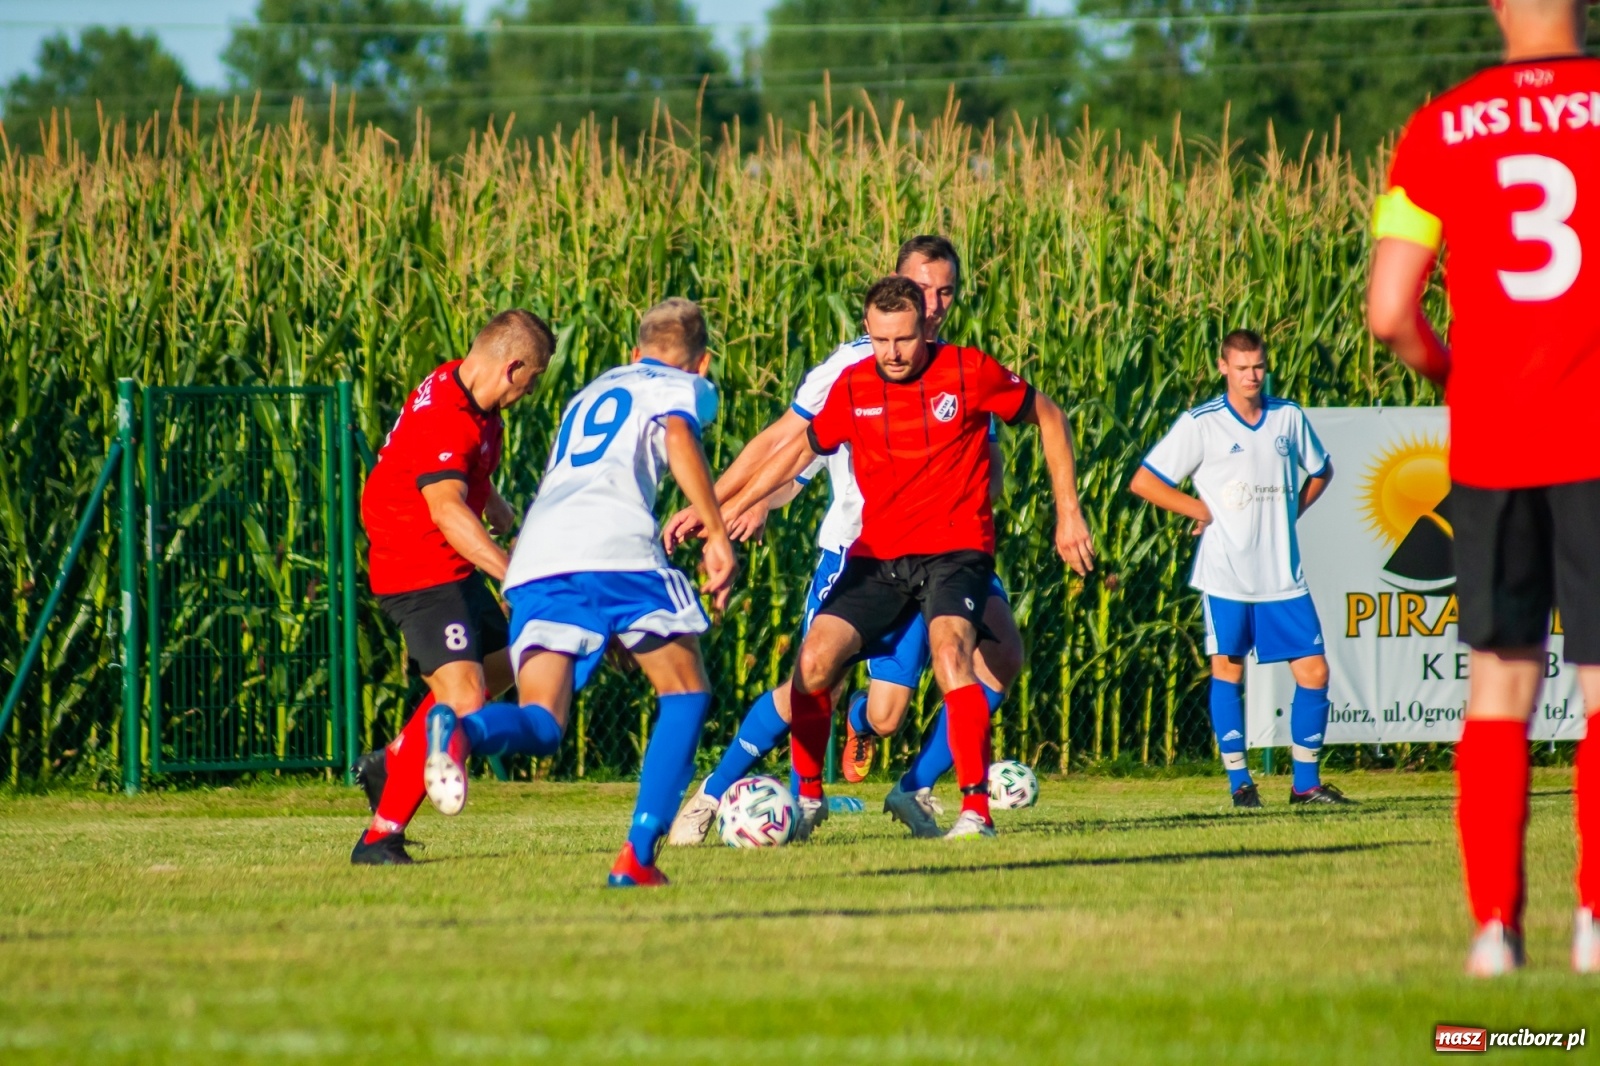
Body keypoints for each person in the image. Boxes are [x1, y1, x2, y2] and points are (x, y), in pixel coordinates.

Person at [1366, 0, 1600, 976]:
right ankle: (1594, 921)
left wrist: (1451, 377)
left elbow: (1389, 312)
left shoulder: (1439, 125)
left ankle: (1494, 930)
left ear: (1496, 5)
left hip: (1495, 443)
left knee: (1498, 687)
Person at [662, 236, 1024, 844]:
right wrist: (721, 507)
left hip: (947, 547)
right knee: (812, 676)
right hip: (864, 549)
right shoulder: (854, 365)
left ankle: (912, 784)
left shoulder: (958, 364)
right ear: (896, 290)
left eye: (945, 293)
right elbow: (787, 444)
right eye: (923, 289)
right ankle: (719, 793)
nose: (934, 304)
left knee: (969, 672)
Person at [718, 275, 1093, 840]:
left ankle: (975, 813)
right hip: (877, 557)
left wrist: (1069, 512)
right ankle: (810, 800)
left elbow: (1051, 416)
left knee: (950, 656)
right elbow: (798, 449)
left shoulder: (969, 371)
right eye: (881, 340)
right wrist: (732, 506)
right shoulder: (852, 384)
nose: (892, 353)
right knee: (815, 663)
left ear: (926, 328)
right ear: (867, 332)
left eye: (905, 339)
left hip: (955, 551)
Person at [421, 298, 738, 887]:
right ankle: (637, 856)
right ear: (703, 363)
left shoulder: (589, 393)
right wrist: (715, 530)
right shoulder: (684, 387)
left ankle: (462, 730)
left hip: (539, 556)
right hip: (614, 547)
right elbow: (676, 435)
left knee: (542, 723)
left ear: (633, 353)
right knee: (687, 692)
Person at [349, 309, 556, 865]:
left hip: (448, 565)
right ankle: (378, 839)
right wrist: (516, 575)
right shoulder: (448, 417)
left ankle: (395, 760)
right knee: (463, 697)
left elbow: (476, 485)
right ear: (512, 367)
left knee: (511, 663)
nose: (530, 391)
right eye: (532, 379)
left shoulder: (468, 396)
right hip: (417, 569)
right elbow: (446, 510)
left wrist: (520, 530)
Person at [1128, 330, 1342, 811]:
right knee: (1228, 671)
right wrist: (1201, 512)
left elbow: (1322, 471)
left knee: (1314, 672)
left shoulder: (1288, 418)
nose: (1252, 375)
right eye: (1242, 367)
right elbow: (1144, 482)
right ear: (1223, 367)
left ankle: (1305, 785)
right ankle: (1241, 785)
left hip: (1283, 577)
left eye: (1259, 366)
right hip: (1226, 575)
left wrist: (1291, 516)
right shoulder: (1202, 424)